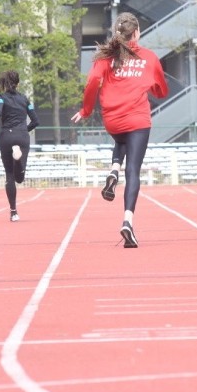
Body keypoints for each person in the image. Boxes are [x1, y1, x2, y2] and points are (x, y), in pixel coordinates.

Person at [71, 12, 169, 248]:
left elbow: (93, 82)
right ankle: (127, 221)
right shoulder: (149, 58)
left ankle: (114, 168)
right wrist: (150, 87)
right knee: (133, 171)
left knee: (121, 138)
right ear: (136, 33)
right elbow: (161, 91)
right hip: (138, 120)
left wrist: (85, 110)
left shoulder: (105, 57)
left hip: (113, 121)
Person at [0, 70, 39, 222]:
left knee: (10, 175)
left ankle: (13, 212)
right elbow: (36, 121)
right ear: (18, 83)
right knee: (20, 178)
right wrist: (24, 130)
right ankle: (18, 160)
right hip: (22, 136)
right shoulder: (25, 99)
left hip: (6, 136)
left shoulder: (1, 98)